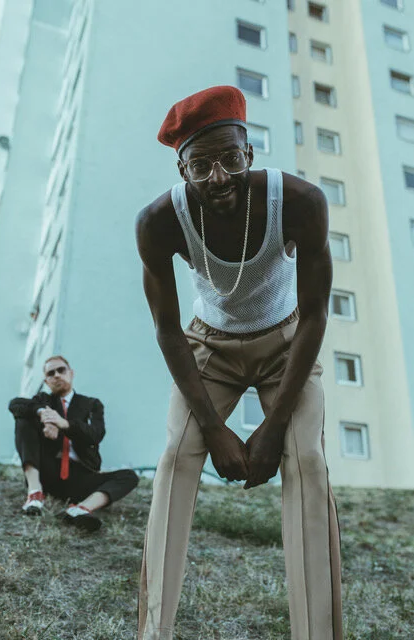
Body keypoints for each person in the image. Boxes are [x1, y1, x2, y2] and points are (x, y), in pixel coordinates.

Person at [135, 86, 342, 639]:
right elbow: (167, 329)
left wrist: (272, 430)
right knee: (176, 456)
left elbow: (316, 315)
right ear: (182, 169)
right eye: (200, 165)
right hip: (210, 347)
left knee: (307, 460)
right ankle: (154, 631)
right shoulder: (159, 221)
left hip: (287, 342)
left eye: (230, 158)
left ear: (249, 152)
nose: (218, 176)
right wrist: (214, 430)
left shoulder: (299, 201)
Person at [8, 355, 139, 532]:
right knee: (23, 420)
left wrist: (64, 424)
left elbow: (95, 434)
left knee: (129, 476)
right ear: (46, 381)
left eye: (61, 370)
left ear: (71, 373)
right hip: (49, 472)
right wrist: (43, 415)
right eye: (51, 373)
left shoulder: (91, 404)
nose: (56, 375)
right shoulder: (43, 400)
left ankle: (80, 509)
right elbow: (15, 404)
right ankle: (35, 493)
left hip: (81, 476)